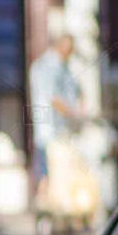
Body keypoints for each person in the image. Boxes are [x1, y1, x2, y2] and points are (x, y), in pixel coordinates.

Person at [29, 32, 83, 184]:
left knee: (50, 173)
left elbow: (75, 90)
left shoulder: (62, 66)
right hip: (51, 130)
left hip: (55, 131)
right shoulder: (50, 66)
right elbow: (54, 98)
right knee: (49, 174)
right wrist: (74, 115)